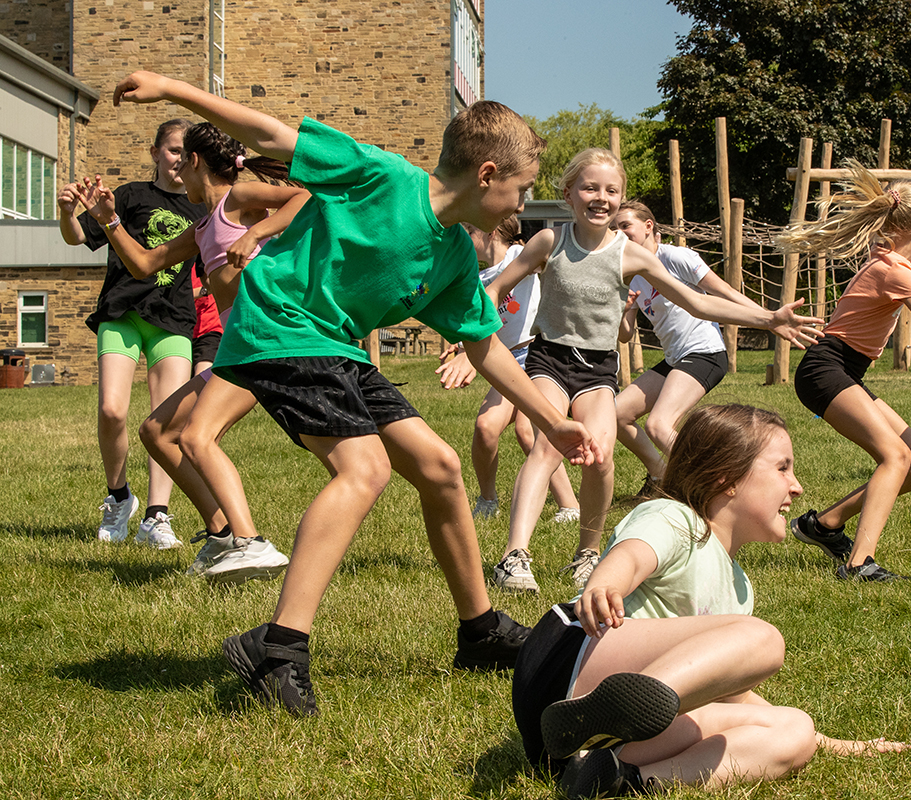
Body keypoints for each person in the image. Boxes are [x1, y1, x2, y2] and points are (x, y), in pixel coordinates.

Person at [108, 70, 601, 716]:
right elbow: (269, 134)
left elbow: (483, 344)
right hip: (282, 324)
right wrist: (172, 89)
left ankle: (479, 630)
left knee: (440, 466)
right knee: (364, 469)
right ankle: (279, 648)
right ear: (487, 175)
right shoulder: (380, 175)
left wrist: (551, 421)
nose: (522, 204)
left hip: (336, 345)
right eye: (522, 189)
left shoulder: (453, 254)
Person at [512, 404, 908, 799]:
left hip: (584, 743)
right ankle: (614, 712)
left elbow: (731, 692)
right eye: (782, 468)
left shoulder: (739, 589)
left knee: (794, 730)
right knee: (764, 639)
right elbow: (630, 556)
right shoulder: (676, 518)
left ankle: (622, 778)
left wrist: (834, 744)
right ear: (727, 478)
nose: (797, 486)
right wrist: (604, 584)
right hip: (570, 658)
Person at [485, 148, 823, 595]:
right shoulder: (549, 242)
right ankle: (514, 557)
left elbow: (698, 303)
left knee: (600, 456)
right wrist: (472, 336)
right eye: (589, 188)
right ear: (568, 193)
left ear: (620, 196)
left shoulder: (633, 256)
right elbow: (496, 288)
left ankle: (587, 554)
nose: (601, 198)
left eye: (611, 190)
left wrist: (769, 318)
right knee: (547, 445)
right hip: (550, 358)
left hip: (598, 369)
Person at [75, 121, 310, 584]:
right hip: (239, 348)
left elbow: (305, 198)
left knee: (196, 437)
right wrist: (109, 221)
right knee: (157, 431)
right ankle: (221, 534)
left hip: (264, 342)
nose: (178, 172)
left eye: (182, 162)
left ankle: (249, 540)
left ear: (195, 162)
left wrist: (255, 233)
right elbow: (144, 263)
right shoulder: (203, 227)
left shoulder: (239, 197)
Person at [777, 161, 911, 582]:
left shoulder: (890, 263)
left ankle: (823, 525)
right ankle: (859, 564)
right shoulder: (895, 270)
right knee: (895, 456)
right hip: (826, 368)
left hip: (842, 370)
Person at [57, 119, 204, 549]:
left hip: (173, 320)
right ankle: (119, 497)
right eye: (172, 150)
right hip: (122, 313)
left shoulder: (202, 209)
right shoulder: (129, 195)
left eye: (186, 153)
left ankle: (157, 516)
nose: (179, 159)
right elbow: (77, 236)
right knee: (111, 411)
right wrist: (67, 211)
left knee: (165, 421)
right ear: (155, 153)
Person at [434, 215, 581, 529]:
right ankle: (488, 501)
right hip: (506, 360)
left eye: (467, 231)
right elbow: (477, 322)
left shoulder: (518, 255)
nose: (462, 240)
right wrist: (461, 348)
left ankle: (570, 506)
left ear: (488, 231)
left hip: (537, 353)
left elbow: (550, 261)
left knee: (528, 431)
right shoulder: (474, 275)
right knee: (486, 428)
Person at [612, 200, 761, 497]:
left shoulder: (675, 257)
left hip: (704, 352)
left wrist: (771, 319)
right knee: (616, 414)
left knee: (658, 425)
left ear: (648, 226)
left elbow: (725, 292)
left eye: (625, 225)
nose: (619, 233)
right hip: (674, 358)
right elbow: (625, 335)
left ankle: (716, 484)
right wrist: (623, 308)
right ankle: (660, 474)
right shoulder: (630, 273)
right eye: (614, 228)